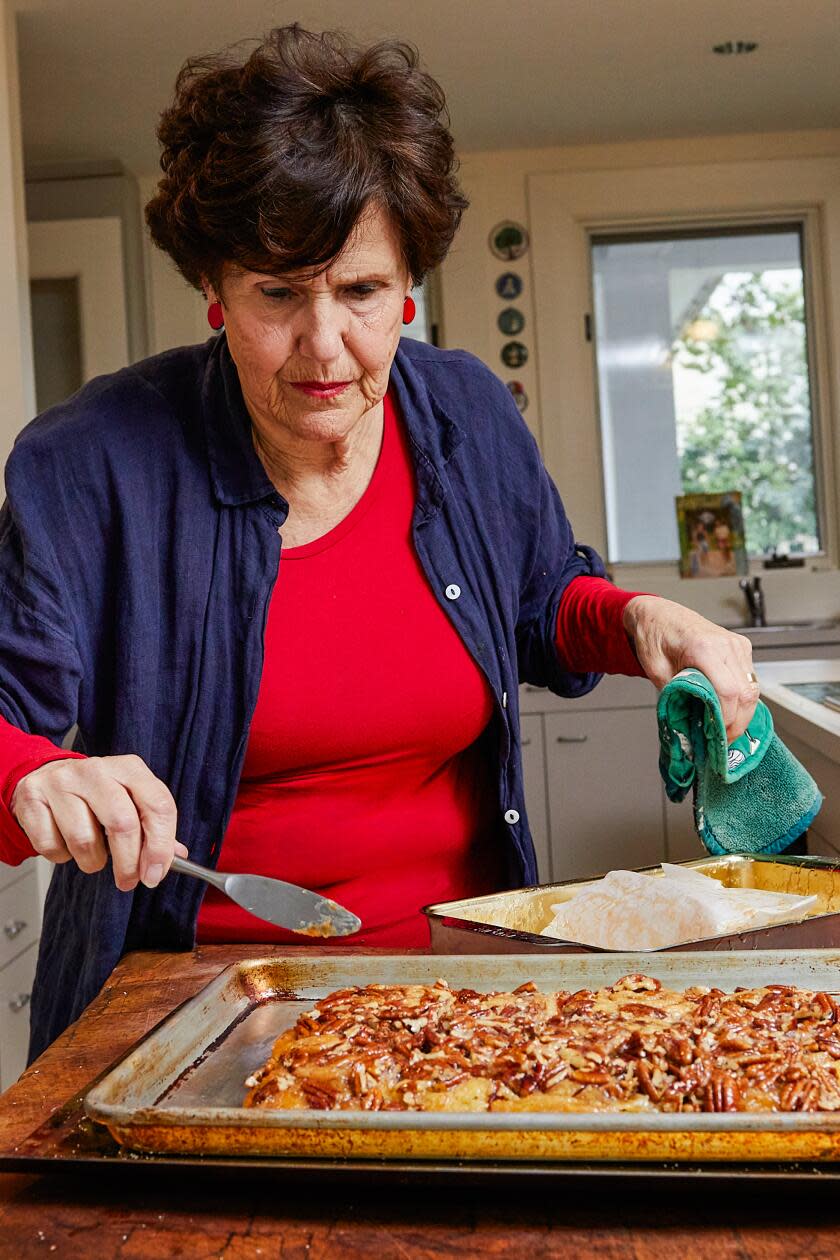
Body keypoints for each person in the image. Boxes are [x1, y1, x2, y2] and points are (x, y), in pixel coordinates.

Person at [0, 25, 758, 1059]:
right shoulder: (90, 465)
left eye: (360, 292)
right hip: (194, 1012)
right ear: (214, 293)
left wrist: (637, 620)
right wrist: (32, 778)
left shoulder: (464, 414)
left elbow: (540, 605)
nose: (325, 345)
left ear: (408, 288)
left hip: (466, 993)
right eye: (277, 293)